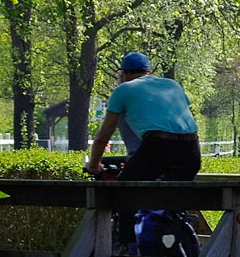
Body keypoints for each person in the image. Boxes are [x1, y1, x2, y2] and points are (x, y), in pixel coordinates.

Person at [84, 52, 200, 183]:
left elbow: (102, 138)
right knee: (173, 198)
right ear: (149, 72)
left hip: (159, 146)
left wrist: (93, 166)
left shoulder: (123, 90)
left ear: (123, 74)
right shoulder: (173, 85)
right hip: (191, 148)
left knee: (124, 192)